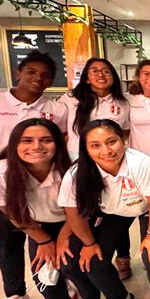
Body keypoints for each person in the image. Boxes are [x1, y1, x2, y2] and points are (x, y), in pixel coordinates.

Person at [0, 119, 103, 299]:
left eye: (46, 140)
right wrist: (44, 241)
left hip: (73, 219)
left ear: (59, 142)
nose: (36, 146)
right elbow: (14, 214)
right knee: (42, 273)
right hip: (36, 224)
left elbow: (80, 209)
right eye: (27, 141)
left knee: (69, 264)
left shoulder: (74, 166)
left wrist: (63, 238)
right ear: (14, 143)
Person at [0, 51, 68, 299]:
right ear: (19, 71)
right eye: (31, 72)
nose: (38, 78)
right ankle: (14, 295)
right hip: (2, 186)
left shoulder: (57, 109)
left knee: (49, 243)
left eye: (45, 74)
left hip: (41, 186)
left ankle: (61, 286)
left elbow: (60, 148)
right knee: (8, 246)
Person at [57, 119, 150, 299]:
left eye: (111, 142)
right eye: (95, 145)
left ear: (123, 140)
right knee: (88, 261)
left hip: (144, 209)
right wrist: (89, 243)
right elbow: (73, 212)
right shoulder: (77, 174)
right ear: (86, 149)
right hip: (111, 213)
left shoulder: (140, 163)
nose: (106, 151)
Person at [58, 58, 132, 279]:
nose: (101, 75)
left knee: (117, 210)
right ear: (87, 76)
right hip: (80, 164)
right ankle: (83, 252)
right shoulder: (71, 99)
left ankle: (123, 256)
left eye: (106, 71)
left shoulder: (122, 102)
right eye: (95, 71)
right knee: (85, 209)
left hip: (113, 164)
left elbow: (125, 133)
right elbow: (59, 130)